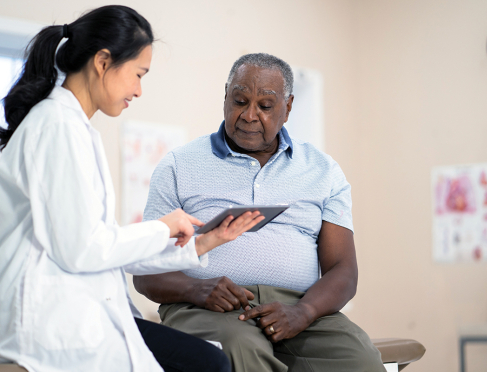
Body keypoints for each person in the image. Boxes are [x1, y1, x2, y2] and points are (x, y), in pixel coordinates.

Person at [0, 6, 264, 372]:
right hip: (47, 323)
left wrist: (201, 243)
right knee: (207, 363)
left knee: (207, 360)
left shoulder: (74, 128)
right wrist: (163, 226)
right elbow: (84, 249)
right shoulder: (57, 129)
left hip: (75, 312)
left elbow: (100, 243)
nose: (139, 90)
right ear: (102, 61)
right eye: (138, 74)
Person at [134, 53, 386, 372]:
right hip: (202, 306)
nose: (250, 115)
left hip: (297, 307)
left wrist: (304, 312)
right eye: (239, 100)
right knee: (241, 346)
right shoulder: (177, 166)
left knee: (360, 359)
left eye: (265, 106)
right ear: (225, 97)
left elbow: (343, 271)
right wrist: (196, 289)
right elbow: (146, 271)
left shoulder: (324, 172)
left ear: (288, 107)